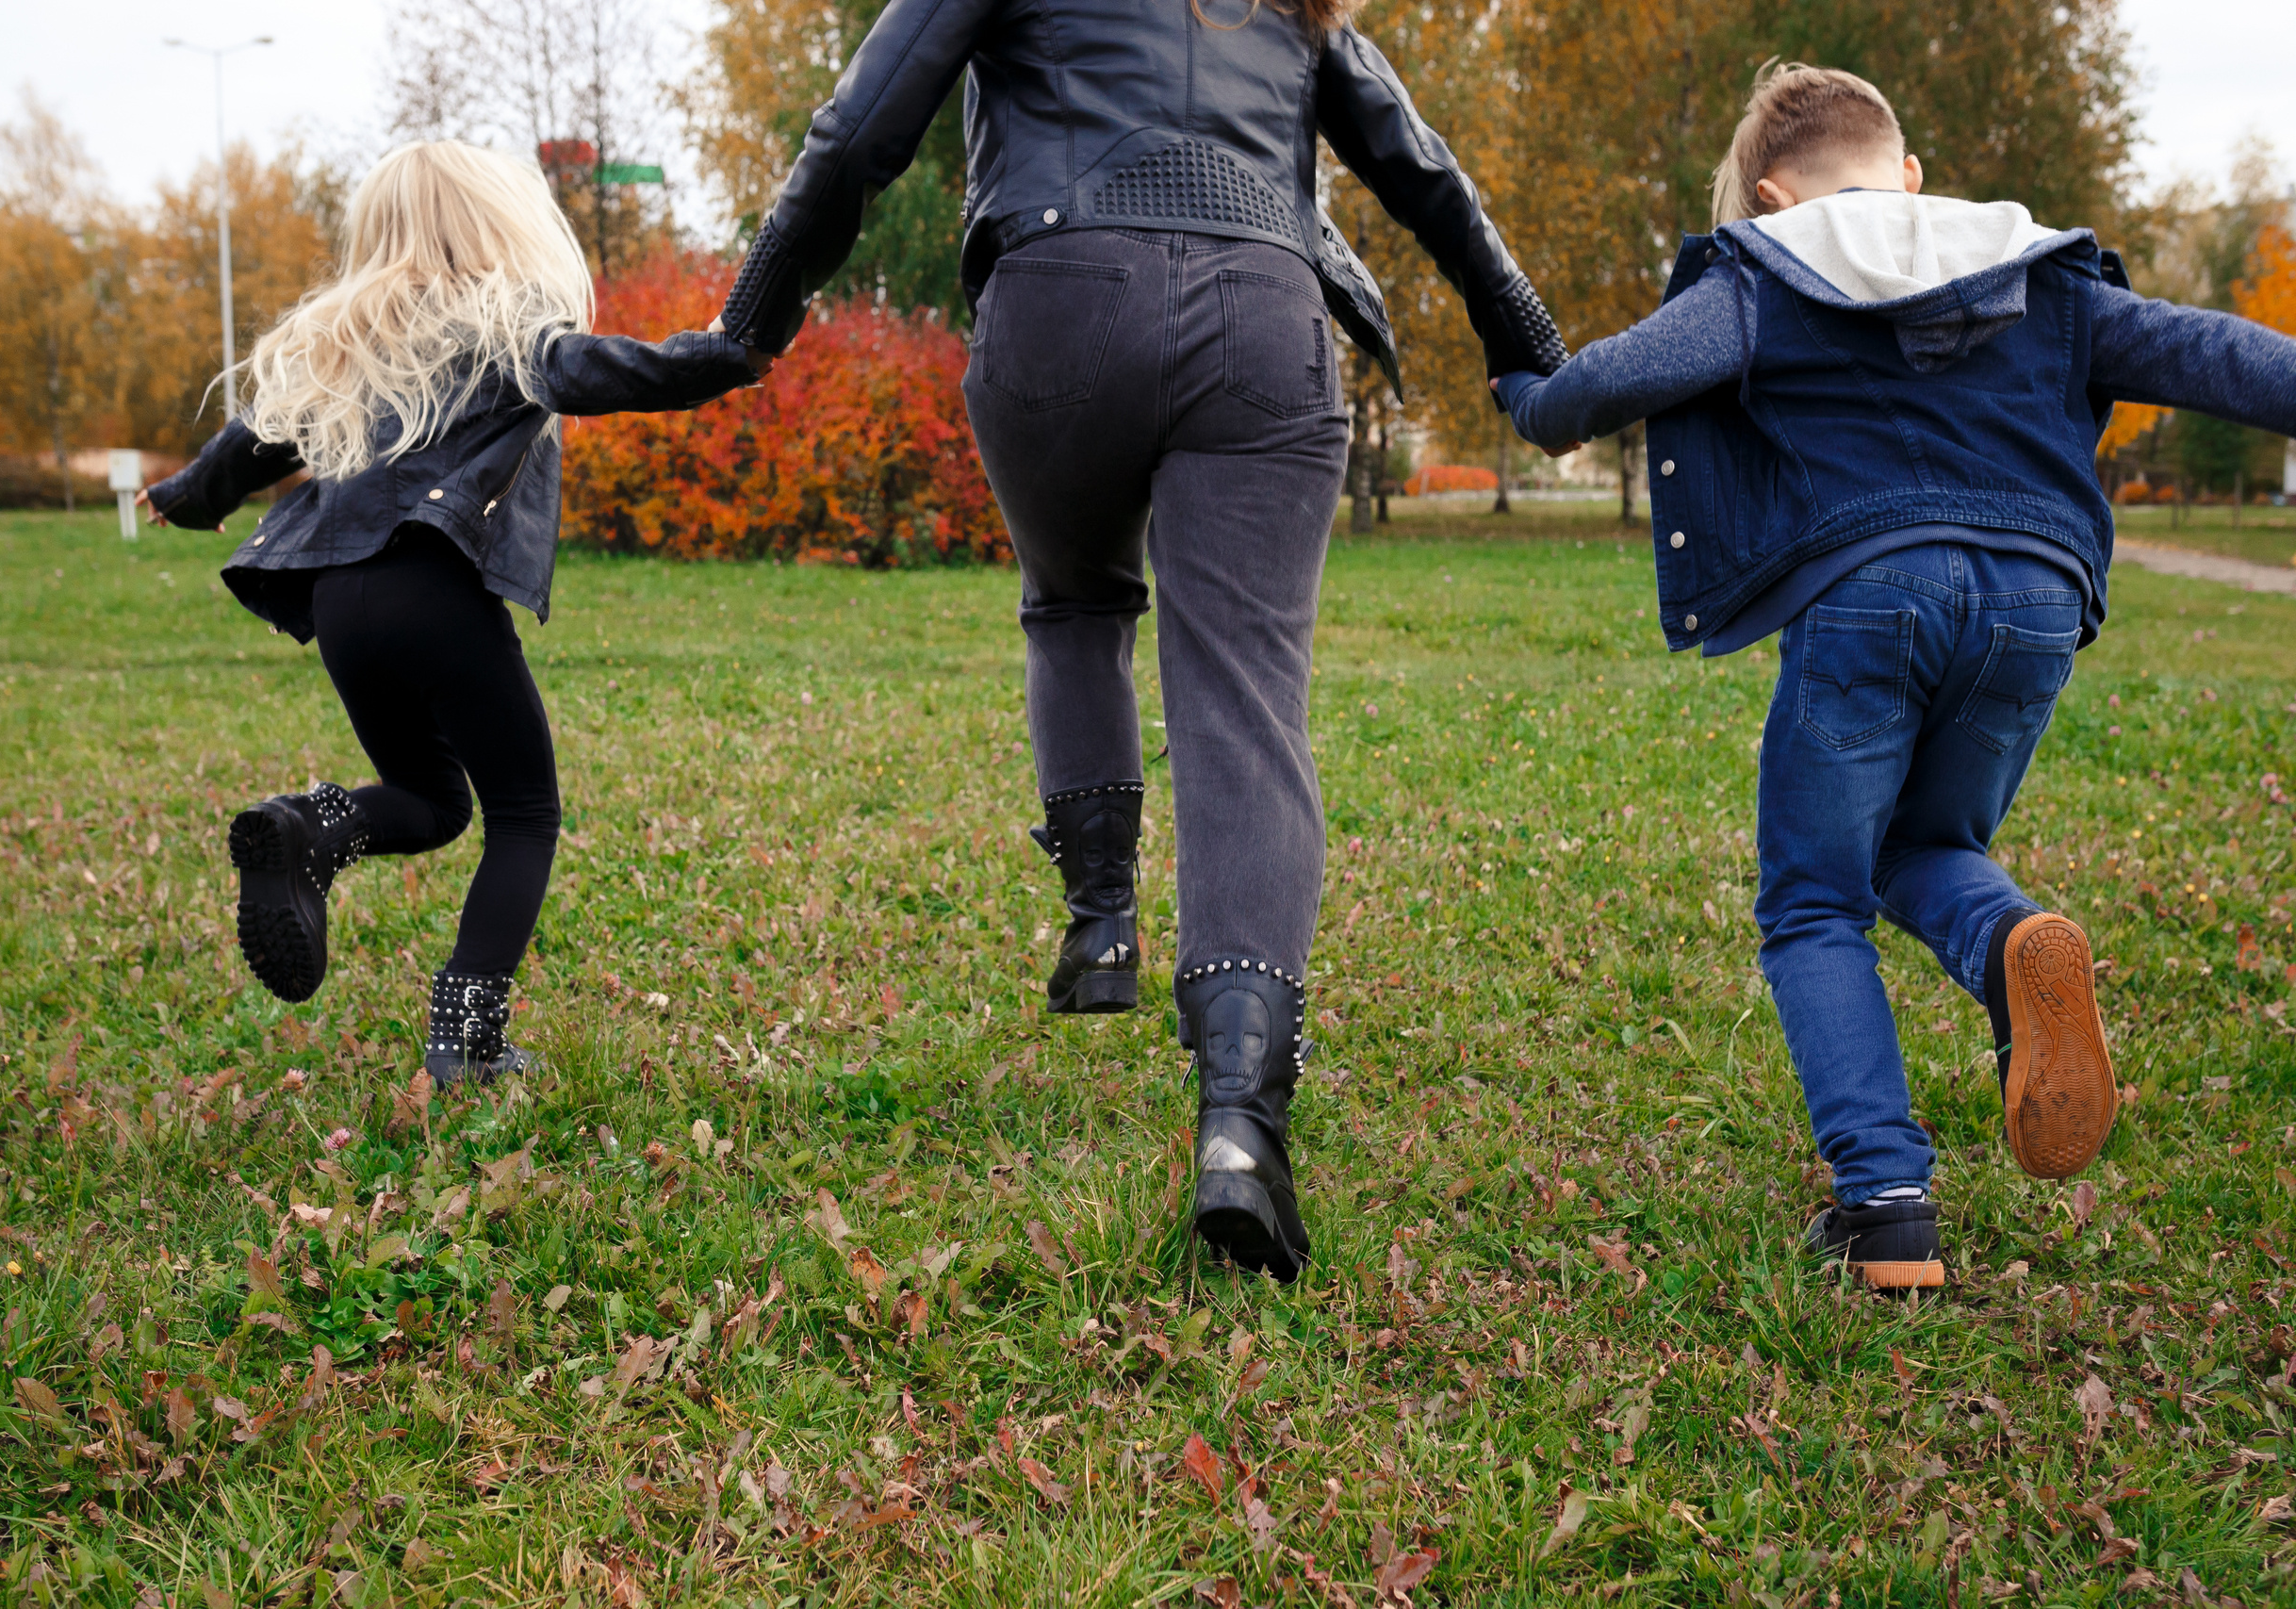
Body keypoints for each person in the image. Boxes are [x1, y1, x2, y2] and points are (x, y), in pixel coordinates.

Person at [717, 0, 1566, 1280]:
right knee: (1244, 698)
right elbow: (1418, 165)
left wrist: (754, 318)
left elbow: (854, 138)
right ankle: (1239, 1126)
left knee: (1075, 600)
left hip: (1063, 302)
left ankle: (1101, 921)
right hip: (1263, 309)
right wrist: (1528, 341)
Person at [1500, 63, 2296, 1291]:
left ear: (1771, 197)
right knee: (1926, 844)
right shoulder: (2039, 266)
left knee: (1814, 898)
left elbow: (1614, 382)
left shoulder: (1769, 268)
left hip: (1872, 590)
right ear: (1908, 173)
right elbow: (2216, 354)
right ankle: (2013, 939)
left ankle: (1885, 1207)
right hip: (2037, 594)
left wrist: (1535, 399)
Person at [143, 141, 763, 1087]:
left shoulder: (343, 340)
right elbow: (604, 373)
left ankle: (310, 826)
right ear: (497, 217)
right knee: (525, 813)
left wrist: (188, 494)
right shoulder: (504, 325)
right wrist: (727, 353)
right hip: (434, 590)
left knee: (433, 801)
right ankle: (467, 1039)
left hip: (341, 601)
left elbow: (253, 439)